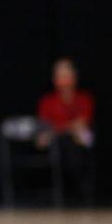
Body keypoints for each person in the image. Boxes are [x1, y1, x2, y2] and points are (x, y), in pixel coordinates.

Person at [36, 58, 96, 199]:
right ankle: (63, 189)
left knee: (81, 138)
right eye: (60, 76)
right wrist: (66, 128)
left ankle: (82, 188)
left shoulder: (84, 99)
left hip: (79, 138)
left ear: (74, 77)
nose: (64, 80)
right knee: (53, 141)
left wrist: (62, 128)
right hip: (56, 140)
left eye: (67, 75)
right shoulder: (47, 101)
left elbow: (82, 123)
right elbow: (45, 126)